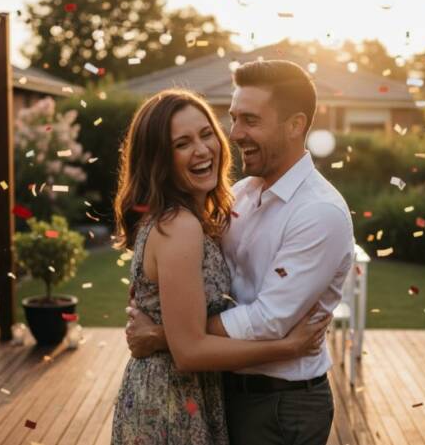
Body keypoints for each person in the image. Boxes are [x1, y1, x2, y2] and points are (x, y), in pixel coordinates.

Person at [126, 61, 355, 445]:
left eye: (250, 120)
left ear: (295, 125)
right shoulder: (241, 195)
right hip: (220, 391)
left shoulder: (319, 212)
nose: (234, 134)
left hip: (279, 405)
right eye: (233, 118)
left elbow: (268, 320)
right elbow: (178, 281)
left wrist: (165, 336)